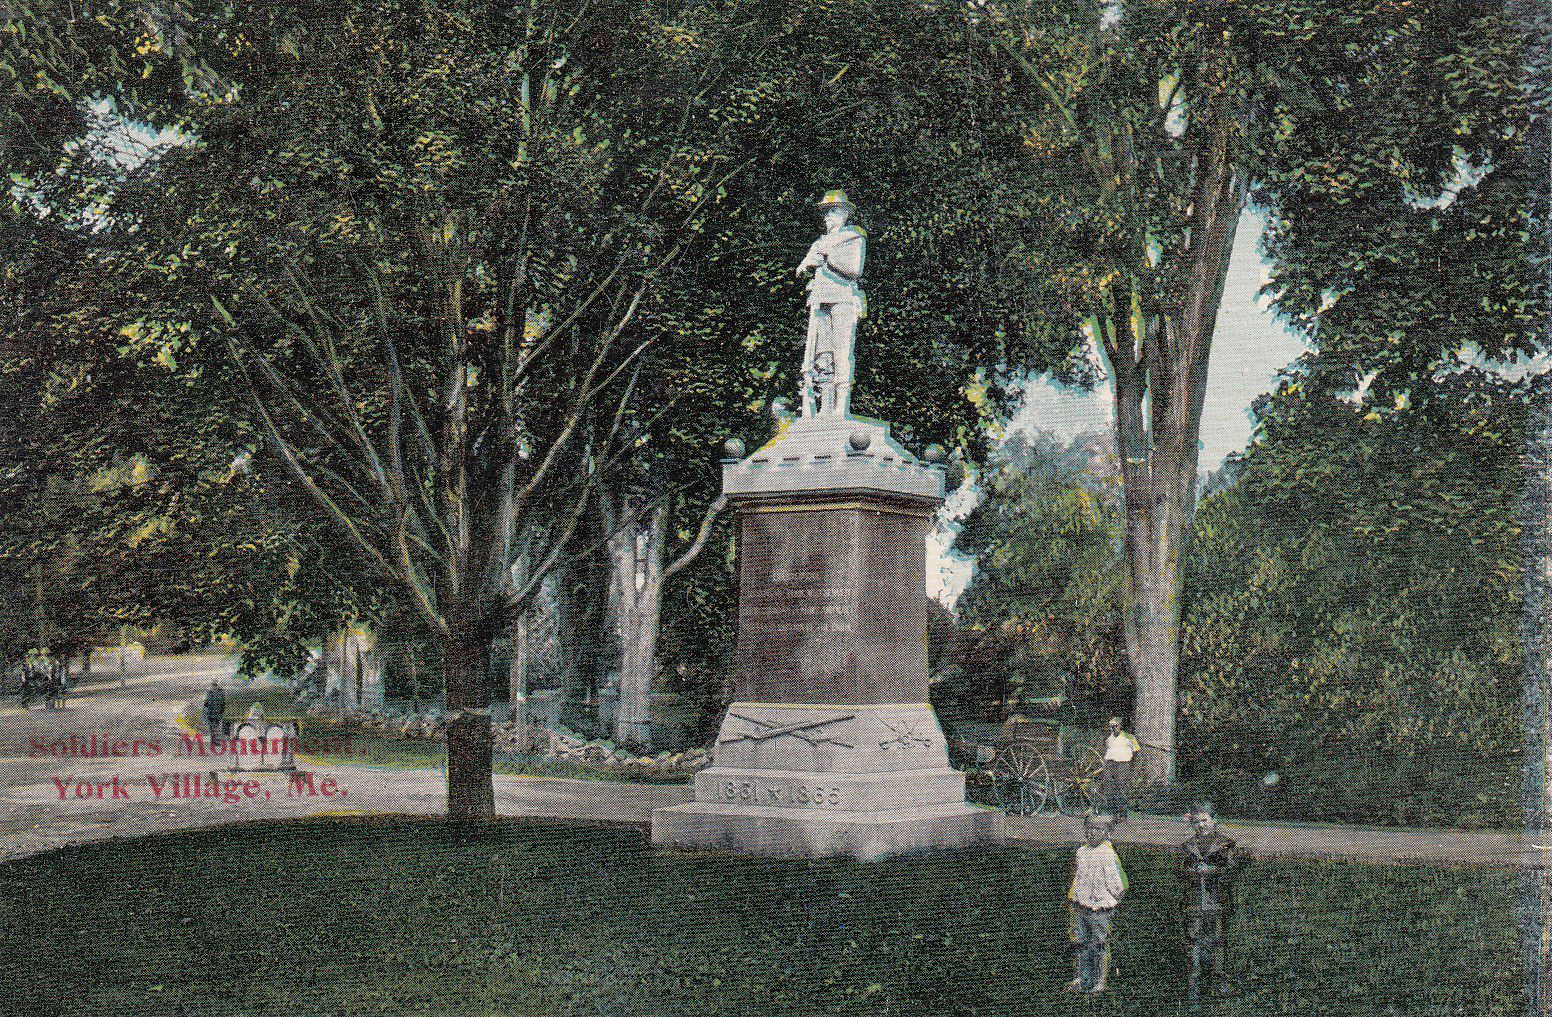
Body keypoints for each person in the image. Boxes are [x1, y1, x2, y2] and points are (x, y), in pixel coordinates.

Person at [794, 189, 866, 419]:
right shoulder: (820, 242)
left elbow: (854, 270)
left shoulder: (853, 236)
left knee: (841, 351)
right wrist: (805, 268)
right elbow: (803, 269)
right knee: (819, 354)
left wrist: (827, 257)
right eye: (825, 213)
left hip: (842, 298)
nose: (827, 217)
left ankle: (840, 407)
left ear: (844, 214)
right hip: (819, 298)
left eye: (832, 211)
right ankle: (823, 405)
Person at [1180, 802, 1245, 1001]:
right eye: (1197, 822)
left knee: (1217, 939)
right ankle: (1195, 977)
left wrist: (1214, 871)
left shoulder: (1225, 844)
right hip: (1194, 901)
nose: (1201, 825)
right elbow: (1179, 871)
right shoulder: (1188, 846)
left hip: (1216, 900)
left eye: (1205, 821)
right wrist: (1191, 872)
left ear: (1214, 820)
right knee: (1194, 939)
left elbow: (1233, 869)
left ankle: (1219, 978)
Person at [1067, 813, 1127, 994]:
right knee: (1080, 942)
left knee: (1099, 944)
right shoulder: (1081, 852)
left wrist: (1111, 903)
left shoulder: (1108, 855)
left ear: (1108, 832)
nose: (1092, 832)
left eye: (1098, 829)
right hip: (1080, 905)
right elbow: (1078, 878)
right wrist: (1075, 898)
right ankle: (1081, 977)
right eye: (1089, 828)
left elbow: (1118, 884)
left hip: (1100, 909)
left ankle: (1100, 981)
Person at [1103, 717, 1141, 818]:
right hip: (1110, 764)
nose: (1113, 728)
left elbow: (1136, 751)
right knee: (1110, 788)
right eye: (1111, 726)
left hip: (1123, 764)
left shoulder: (1129, 737)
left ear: (1120, 726)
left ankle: (1123, 815)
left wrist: (1132, 765)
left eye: (1115, 726)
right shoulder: (1108, 738)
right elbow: (1107, 750)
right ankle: (1112, 814)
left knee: (1122, 789)